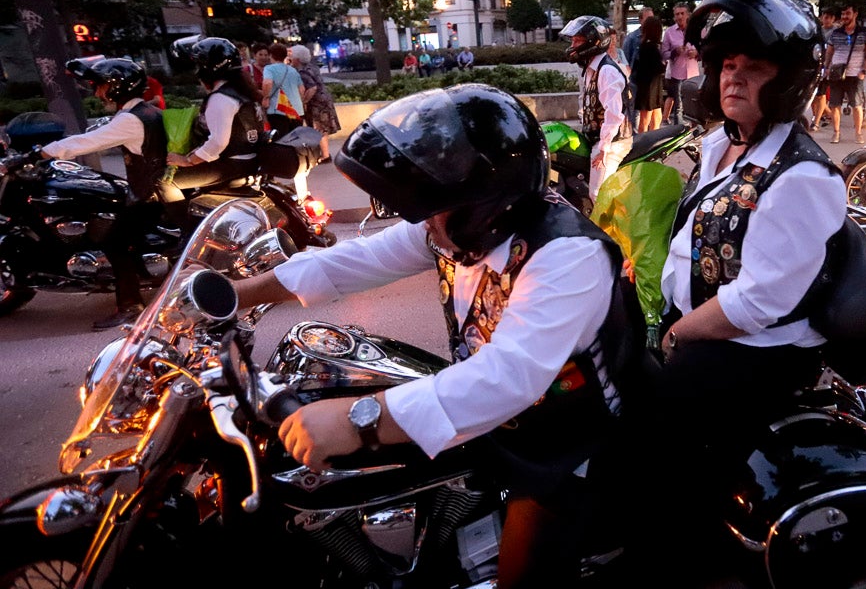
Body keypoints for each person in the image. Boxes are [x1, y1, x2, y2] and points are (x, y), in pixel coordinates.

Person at [233, 84, 639, 589]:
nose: (420, 220)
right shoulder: (458, 230)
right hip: (503, 423)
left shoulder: (565, 255)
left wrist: (363, 418)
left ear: (483, 203)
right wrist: (235, 293)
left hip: (568, 446)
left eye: (433, 206)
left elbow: (508, 377)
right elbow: (355, 259)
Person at [625, 0, 845, 584]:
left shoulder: (803, 177)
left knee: (649, 430)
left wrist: (677, 335)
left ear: (790, 80)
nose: (733, 78)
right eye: (726, 64)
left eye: (755, 67)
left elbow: (759, 302)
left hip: (755, 349)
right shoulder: (723, 144)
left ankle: (673, 556)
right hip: (703, 327)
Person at [43, 58, 167, 329]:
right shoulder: (148, 111)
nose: (97, 93)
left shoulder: (130, 120)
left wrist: (45, 151)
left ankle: (131, 306)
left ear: (116, 86)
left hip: (147, 194)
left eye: (100, 86)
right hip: (156, 188)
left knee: (115, 243)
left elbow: (88, 141)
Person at [162, 37, 267, 222]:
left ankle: (186, 234)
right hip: (249, 161)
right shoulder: (244, 92)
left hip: (230, 166)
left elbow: (218, 142)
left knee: (165, 182)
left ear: (206, 69)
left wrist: (187, 160)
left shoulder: (221, 98)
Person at [563, 15, 633, 201]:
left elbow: (614, 114)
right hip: (597, 138)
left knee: (599, 194)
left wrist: (604, 149)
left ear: (594, 42)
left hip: (614, 143)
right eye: (573, 40)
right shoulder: (590, 68)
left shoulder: (607, 71)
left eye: (578, 40)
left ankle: (606, 230)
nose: (573, 46)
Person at [823, 2, 866, 144]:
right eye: (843, 14)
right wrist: (826, 67)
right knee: (834, 104)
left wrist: (864, 70)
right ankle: (836, 132)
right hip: (836, 73)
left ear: (855, 14)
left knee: (856, 105)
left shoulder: (864, 32)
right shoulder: (836, 33)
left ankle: (858, 133)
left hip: (855, 74)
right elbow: (830, 51)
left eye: (848, 13)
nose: (845, 16)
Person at [290, 44, 341, 161]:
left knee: (319, 128)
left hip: (316, 104)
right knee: (322, 129)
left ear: (297, 59)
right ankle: (324, 154)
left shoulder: (302, 72)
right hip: (324, 100)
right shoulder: (312, 67)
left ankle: (325, 155)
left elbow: (312, 88)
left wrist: (304, 101)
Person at [661, 2, 700, 125]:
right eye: (677, 14)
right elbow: (663, 54)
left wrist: (697, 53)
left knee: (695, 104)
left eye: (682, 13)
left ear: (688, 15)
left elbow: (705, 48)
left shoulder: (697, 30)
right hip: (677, 75)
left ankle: (696, 132)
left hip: (693, 75)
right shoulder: (669, 32)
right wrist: (675, 52)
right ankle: (678, 131)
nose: (680, 16)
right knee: (679, 106)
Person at [261, 42, 305, 136]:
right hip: (297, 111)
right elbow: (302, 89)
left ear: (271, 55)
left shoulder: (269, 68)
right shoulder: (292, 70)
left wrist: (266, 97)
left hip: (278, 110)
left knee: (281, 141)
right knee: (295, 140)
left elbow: (267, 82)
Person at [808, 6, 839, 131]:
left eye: (829, 17)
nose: (826, 20)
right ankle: (828, 115)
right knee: (814, 95)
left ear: (833, 19)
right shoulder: (818, 31)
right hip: (816, 65)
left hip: (828, 66)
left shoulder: (836, 32)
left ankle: (816, 121)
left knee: (821, 95)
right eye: (825, 17)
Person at [633, 15, 665, 132]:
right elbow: (656, 67)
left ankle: (651, 141)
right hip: (649, 88)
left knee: (655, 117)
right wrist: (663, 64)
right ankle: (643, 144)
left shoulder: (645, 45)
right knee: (646, 120)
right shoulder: (650, 47)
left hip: (650, 87)